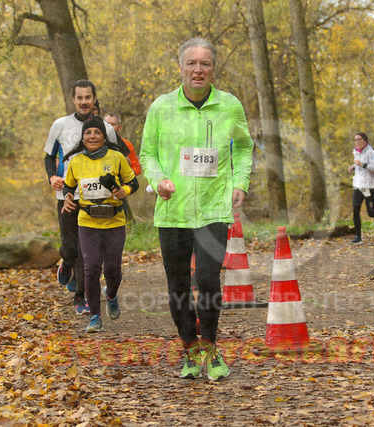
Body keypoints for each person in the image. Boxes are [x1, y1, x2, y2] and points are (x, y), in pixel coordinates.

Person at [139, 37, 254, 381]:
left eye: (205, 63)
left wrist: (240, 182)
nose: (198, 70)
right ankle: (190, 350)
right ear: (181, 68)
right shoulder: (161, 107)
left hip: (213, 208)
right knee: (177, 285)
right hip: (172, 211)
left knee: (206, 279)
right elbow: (148, 154)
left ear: (213, 69)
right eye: (192, 63)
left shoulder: (229, 105)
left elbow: (244, 147)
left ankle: (211, 347)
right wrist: (158, 179)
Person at [43, 79, 128, 315]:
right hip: (68, 195)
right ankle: (67, 262)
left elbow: (122, 156)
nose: (84, 102)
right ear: (73, 100)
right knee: (71, 248)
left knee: (86, 251)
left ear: (94, 99)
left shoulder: (106, 128)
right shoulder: (60, 125)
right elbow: (49, 157)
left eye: (87, 97)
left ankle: (81, 297)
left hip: (98, 197)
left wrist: (119, 185)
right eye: (79, 98)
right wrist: (52, 177)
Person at [62, 116, 139, 333]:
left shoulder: (116, 157)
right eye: (88, 133)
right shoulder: (76, 161)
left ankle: (111, 294)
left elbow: (133, 182)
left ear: (104, 136)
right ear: (83, 138)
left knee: (113, 269)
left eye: (97, 132)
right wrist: (68, 197)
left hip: (114, 221)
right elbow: (68, 186)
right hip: (87, 222)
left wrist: (124, 191)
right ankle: (95, 317)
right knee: (92, 267)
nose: (92, 136)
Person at [348, 132, 374, 244]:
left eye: (359, 139)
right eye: (356, 140)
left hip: (370, 186)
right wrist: (353, 167)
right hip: (358, 186)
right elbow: (358, 165)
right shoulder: (355, 152)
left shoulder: (371, 152)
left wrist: (362, 164)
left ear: (365, 140)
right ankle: (358, 237)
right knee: (355, 210)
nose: (357, 142)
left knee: (371, 212)